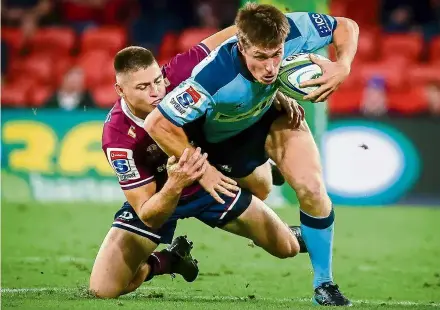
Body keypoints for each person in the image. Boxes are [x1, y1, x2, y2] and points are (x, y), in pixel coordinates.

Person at [145, 3, 359, 306]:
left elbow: (346, 26)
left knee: (312, 188)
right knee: (261, 192)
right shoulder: (212, 77)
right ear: (242, 45)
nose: (271, 66)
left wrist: (343, 65)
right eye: (260, 56)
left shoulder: (294, 28)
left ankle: (324, 284)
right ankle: (265, 169)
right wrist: (203, 170)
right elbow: (157, 123)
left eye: (277, 54)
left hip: (271, 116)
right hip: (224, 139)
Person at [90, 26, 306, 299]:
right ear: (120, 90)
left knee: (287, 247)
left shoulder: (180, 72)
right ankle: (170, 260)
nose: (156, 92)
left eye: (157, 80)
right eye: (143, 87)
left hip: (210, 179)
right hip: (161, 198)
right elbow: (147, 213)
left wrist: (272, 92)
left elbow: (239, 37)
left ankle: (259, 170)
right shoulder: (119, 139)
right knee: (103, 290)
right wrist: (175, 184)